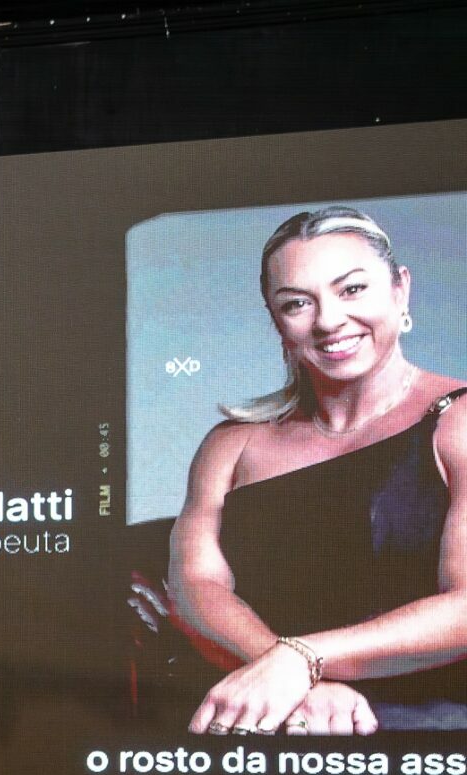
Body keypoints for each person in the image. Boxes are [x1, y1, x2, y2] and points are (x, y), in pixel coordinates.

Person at [168, 206, 467, 735]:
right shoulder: (230, 444)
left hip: (426, 728)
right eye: (297, 303)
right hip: (263, 714)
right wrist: (291, 675)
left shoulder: (457, 421)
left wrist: (302, 658)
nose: (328, 321)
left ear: (400, 290)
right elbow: (196, 584)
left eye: (352, 289)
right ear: (276, 321)